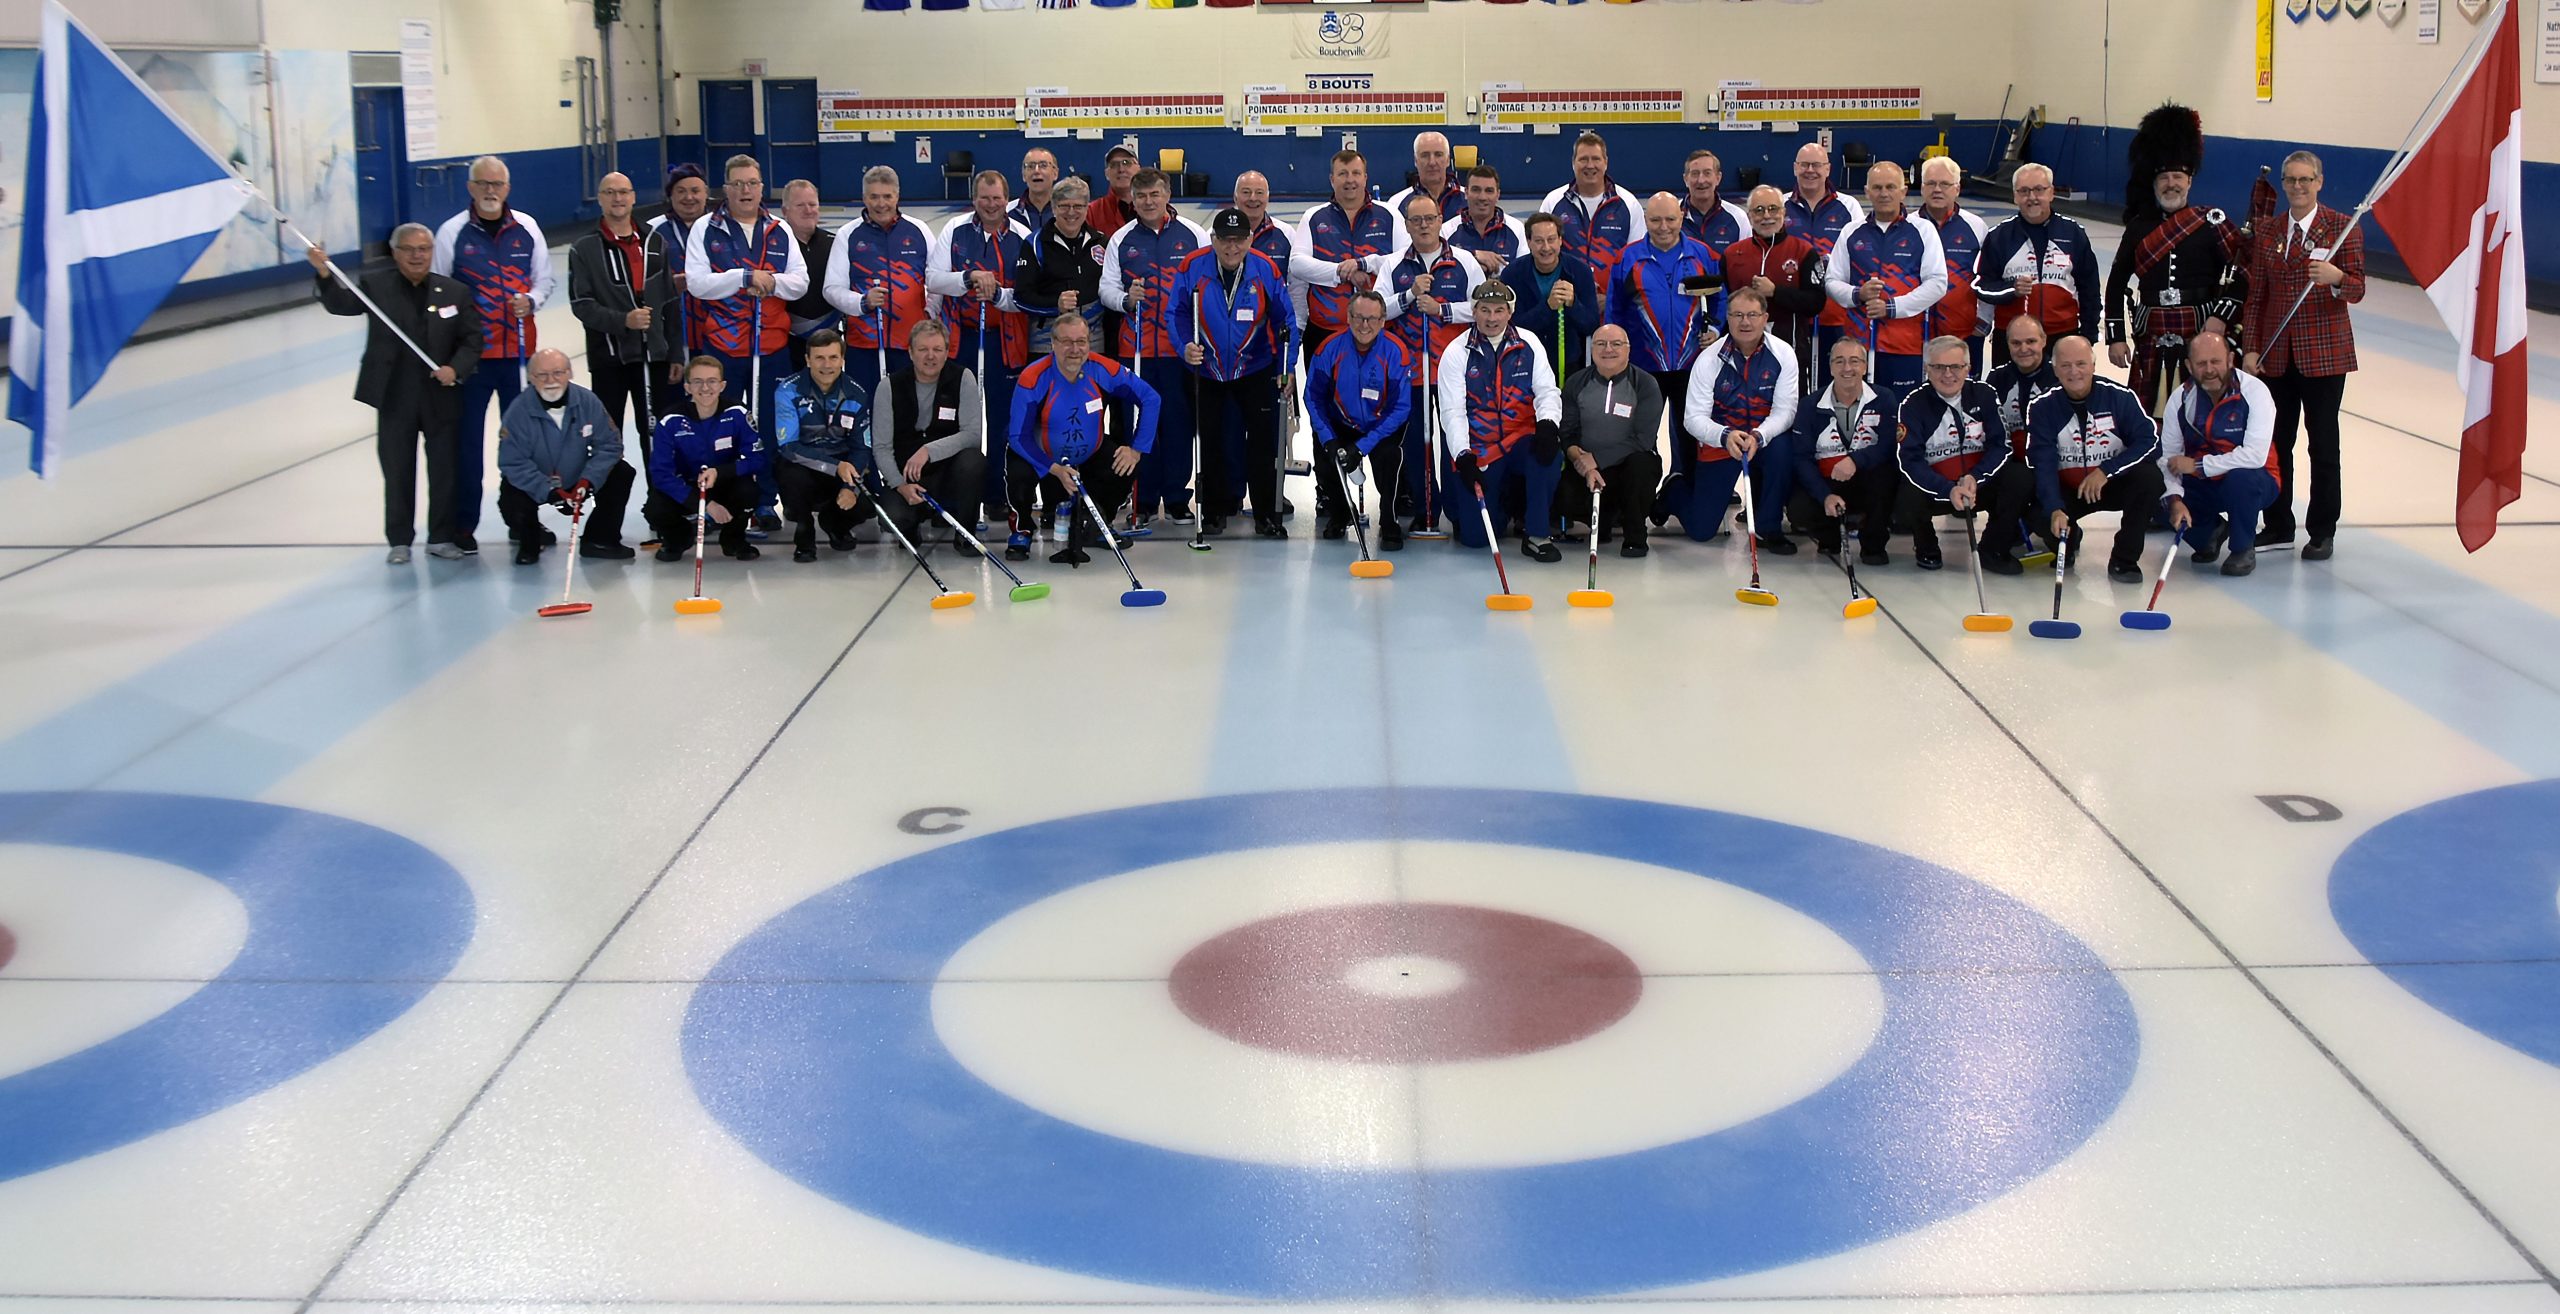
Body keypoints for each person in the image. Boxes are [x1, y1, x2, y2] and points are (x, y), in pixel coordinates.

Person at [309, 225, 481, 563]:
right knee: (398, 469)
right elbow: (341, 304)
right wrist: (323, 273)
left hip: (441, 397)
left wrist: (454, 369)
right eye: (409, 249)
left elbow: (473, 340)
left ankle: (442, 536)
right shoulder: (377, 287)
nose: (418, 256)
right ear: (395, 253)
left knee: (445, 470)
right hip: (396, 395)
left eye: (424, 249)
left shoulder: (454, 292)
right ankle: (399, 540)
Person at [2242, 149, 2364, 560]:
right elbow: (2256, 296)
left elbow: (2359, 289)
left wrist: (2337, 279)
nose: (2298, 187)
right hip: (2275, 356)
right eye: (2291, 180)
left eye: (2305, 180)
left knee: (2324, 446)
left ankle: (2322, 529)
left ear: (2319, 182)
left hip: (2325, 357)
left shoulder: (2341, 228)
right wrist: (2251, 348)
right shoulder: (2268, 231)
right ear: (2283, 183)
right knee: (2276, 443)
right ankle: (2277, 524)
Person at [432, 154, 555, 553]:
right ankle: (462, 526)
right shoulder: (452, 233)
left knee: (522, 443)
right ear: (470, 188)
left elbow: (545, 279)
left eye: (497, 185)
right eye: (483, 184)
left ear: (507, 188)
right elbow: (438, 289)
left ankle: (523, 522)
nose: (490, 191)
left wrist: (532, 300)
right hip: (472, 359)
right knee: (466, 444)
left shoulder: (527, 228)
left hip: (520, 356)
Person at [2106, 104, 2247, 416]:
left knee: (2202, 409)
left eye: (2178, 177)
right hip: (2151, 328)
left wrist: (2220, 317)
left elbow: (2242, 276)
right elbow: (2116, 284)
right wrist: (2115, 338)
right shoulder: (2139, 227)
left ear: (2190, 181)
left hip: (2199, 326)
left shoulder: (2213, 222)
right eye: (2164, 177)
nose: (2171, 183)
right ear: (2154, 183)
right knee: (2147, 412)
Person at [1171, 208, 1298, 538]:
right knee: (1212, 440)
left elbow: (1286, 322)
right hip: (1207, 368)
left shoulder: (1265, 269)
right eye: (1224, 241)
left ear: (1250, 239)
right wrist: (1185, 345)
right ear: (1213, 240)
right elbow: (1177, 312)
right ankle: (1214, 510)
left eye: (1239, 240)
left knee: (1263, 443)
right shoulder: (1192, 266)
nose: (1231, 248)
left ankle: (1266, 515)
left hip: (1256, 368)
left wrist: (1287, 369)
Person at [685, 153, 807, 483]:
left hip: (771, 350)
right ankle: (725, 497)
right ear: (725, 189)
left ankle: (766, 499)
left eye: (752, 183)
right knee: (719, 425)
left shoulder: (780, 229)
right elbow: (697, 283)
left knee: (770, 426)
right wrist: (743, 277)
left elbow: (800, 282)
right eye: (737, 183)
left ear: (762, 187)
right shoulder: (704, 228)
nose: (745, 190)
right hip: (722, 349)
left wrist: (769, 282)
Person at [1099, 169, 1209, 526]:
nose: (1148, 201)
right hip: (1137, 349)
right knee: (1139, 423)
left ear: (1167, 195)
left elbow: (1207, 283)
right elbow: (1106, 289)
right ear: (1132, 198)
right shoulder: (1120, 239)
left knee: (1178, 423)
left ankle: (1177, 497)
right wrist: (1125, 300)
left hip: (1179, 349)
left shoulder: (1193, 234)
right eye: (1141, 195)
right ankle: (1143, 497)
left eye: (1155, 194)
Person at [1369, 191, 1482, 534]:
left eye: (1429, 219)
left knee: (1455, 439)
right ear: (1406, 225)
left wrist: (1443, 310)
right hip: (1410, 372)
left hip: (1453, 371)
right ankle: (1424, 509)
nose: (1423, 226)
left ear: (1439, 221)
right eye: (1415, 220)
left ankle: (1458, 512)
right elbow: (1376, 309)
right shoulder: (1393, 264)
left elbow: (1485, 307)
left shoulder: (1464, 261)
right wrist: (1408, 297)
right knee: (1416, 445)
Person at [1005, 315, 1160, 565]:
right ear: (1052, 343)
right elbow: (1017, 436)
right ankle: (1022, 528)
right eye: (1066, 342)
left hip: (1090, 453)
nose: (1075, 349)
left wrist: (1136, 449)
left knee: (1126, 464)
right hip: (1047, 460)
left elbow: (1151, 398)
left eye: (1081, 341)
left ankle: (1097, 522)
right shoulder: (1033, 377)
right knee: (1018, 473)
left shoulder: (1103, 369)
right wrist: (1052, 468)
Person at [1612, 193, 1724, 525]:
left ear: (1681, 218)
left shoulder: (1701, 255)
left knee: (1690, 435)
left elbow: (1720, 301)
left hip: (1692, 366)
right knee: (1638, 436)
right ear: (1646, 220)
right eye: (1656, 220)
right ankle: (1633, 502)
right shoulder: (1628, 258)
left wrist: (1716, 330)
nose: (1664, 227)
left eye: (1671, 220)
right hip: (1645, 367)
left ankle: (1684, 498)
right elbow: (1615, 312)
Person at [929, 168, 1031, 527]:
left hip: (1004, 340)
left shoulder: (1022, 235)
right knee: (957, 420)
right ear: (974, 199)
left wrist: (1000, 294)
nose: (991, 204)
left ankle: (996, 495)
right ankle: (954, 496)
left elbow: (1030, 294)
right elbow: (933, 279)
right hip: (963, 337)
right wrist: (968, 279)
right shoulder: (954, 231)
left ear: (1008, 200)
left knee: (1002, 421)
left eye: (997, 198)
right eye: (984, 198)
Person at [1437, 281, 1565, 561]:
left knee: (1548, 456)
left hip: (1520, 439)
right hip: (1482, 448)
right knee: (1475, 539)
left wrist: (1547, 424)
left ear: (1510, 312)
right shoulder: (1456, 352)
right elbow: (1452, 412)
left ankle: (1536, 533)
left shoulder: (1529, 343)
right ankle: (1503, 503)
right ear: (1474, 312)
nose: (1491, 318)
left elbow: (1547, 391)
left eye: (1498, 310)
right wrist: (1463, 456)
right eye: (1485, 310)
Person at [2026, 335, 2166, 583]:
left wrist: (2106, 471)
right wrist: (2055, 507)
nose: (2074, 372)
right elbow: (2042, 463)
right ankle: (2067, 541)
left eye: (2081, 364)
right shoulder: (2042, 407)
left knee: (2150, 479)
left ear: (2093, 365)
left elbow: (2150, 442)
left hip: (2112, 484)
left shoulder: (2120, 397)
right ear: (2055, 369)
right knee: (2038, 513)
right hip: (2070, 489)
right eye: (2066, 365)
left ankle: (2125, 558)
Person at [1677, 286, 1798, 546]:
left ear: (1765, 318)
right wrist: (1724, 436)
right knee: (1701, 531)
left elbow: (1785, 411)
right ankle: (1673, 491)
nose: (1745, 322)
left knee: (1783, 448)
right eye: (1738, 315)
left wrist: (1759, 435)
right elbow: (1693, 418)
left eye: (1753, 315)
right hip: (1723, 443)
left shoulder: (1784, 354)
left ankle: (1768, 527)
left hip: (1763, 440)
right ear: (1728, 318)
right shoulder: (1708, 359)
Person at [1895, 335, 2027, 573]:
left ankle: (1993, 548)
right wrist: (1948, 489)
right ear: (1927, 369)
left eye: (1955, 367)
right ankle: (1926, 544)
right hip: (1938, 488)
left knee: (2019, 477)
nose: (1948, 374)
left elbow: (2001, 445)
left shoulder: (1985, 395)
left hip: (1976, 484)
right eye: (1938, 367)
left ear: (1968, 367)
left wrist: (1976, 476)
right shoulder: (1913, 404)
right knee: (1906, 490)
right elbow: (1910, 461)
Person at [495, 348, 636, 564]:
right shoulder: (518, 412)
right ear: (532, 378)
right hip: (538, 482)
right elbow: (512, 462)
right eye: (542, 375)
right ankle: (530, 540)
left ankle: (600, 539)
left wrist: (588, 480)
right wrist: (549, 491)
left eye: (558, 373)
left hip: (579, 477)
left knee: (621, 473)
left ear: (569, 373)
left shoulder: (588, 401)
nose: (551, 380)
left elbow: (609, 445)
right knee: (511, 498)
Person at [1825, 161, 1946, 409]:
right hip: (1858, 346)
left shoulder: (1923, 231)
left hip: (1905, 346)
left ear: (1903, 191)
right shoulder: (1851, 231)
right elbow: (1832, 281)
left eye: (1891, 187)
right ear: (1867, 191)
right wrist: (1857, 294)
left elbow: (1937, 283)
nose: (1884, 193)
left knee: (1902, 416)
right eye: (1877, 187)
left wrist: (1892, 307)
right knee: (1860, 416)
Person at [2161, 330, 2280, 577]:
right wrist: (2174, 500)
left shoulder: (2255, 392)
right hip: (2205, 481)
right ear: (2188, 365)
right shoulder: (2179, 399)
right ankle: (2209, 532)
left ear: (2229, 361)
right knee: (2152, 486)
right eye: (2201, 363)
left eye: (2215, 361)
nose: (2209, 369)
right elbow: (2169, 459)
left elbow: (2255, 457)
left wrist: (2198, 466)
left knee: (2241, 478)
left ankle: (2241, 548)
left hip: (2257, 479)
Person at [1304, 289, 1413, 549]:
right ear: (1348, 318)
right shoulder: (1328, 348)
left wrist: (1363, 447)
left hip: (1381, 426)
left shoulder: (1396, 351)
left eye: (1372, 319)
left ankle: (1389, 520)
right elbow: (1312, 397)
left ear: (1383, 321)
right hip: (1341, 423)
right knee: (1325, 457)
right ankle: (1341, 513)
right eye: (1359, 318)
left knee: (1389, 458)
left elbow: (1401, 408)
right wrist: (1329, 439)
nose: (1365, 325)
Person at [874, 320, 989, 550]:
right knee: (894, 518)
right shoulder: (889, 387)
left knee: (974, 460)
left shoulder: (963, 378)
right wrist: (899, 485)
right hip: (907, 476)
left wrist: (928, 450)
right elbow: (881, 447)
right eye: (923, 349)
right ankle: (911, 524)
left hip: (948, 472)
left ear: (947, 352)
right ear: (910, 352)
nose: (930, 356)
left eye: (937, 349)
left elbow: (973, 435)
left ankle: (965, 532)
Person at [567, 173, 659, 461]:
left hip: (650, 358)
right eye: (609, 192)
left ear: (633, 196)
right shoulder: (583, 248)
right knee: (607, 436)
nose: (617, 198)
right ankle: (609, 505)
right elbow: (582, 304)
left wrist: (675, 357)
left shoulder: (653, 240)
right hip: (608, 359)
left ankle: (659, 503)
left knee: (655, 435)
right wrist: (623, 321)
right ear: (600, 198)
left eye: (623, 192)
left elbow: (668, 302)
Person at [1974, 163, 2101, 368]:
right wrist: (2010, 289)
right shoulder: (1999, 236)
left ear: (2051, 192)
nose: (2032, 197)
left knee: (2061, 398)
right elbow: (1981, 286)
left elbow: (2090, 290)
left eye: (2039, 190)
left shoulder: (2073, 233)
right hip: (2014, 341)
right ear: (2015, 196)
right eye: (2024, 191)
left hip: (2062, 337)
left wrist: (2087, 336)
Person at [824, 164, 936, 397]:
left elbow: (937, 280)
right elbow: (831, 288)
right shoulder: (848, 234)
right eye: (874, 197)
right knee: (866, 412)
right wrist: (861, 302)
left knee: (908, 413)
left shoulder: (919, 231)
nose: (881, 203)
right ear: (864, 198)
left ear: (897, 196)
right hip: (864, 346)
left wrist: (930, 313)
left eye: (887, 196)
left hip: (911, 344)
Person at [1787, 336, 1897, 565]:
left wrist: (1856, 460)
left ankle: (1873, 543)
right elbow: (1802, 458)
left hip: (1868, 479)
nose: (1847, 368)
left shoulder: (1884, 398)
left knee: (1887, 477)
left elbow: (1888, 445)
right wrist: (1824, 495)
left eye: (1854, 361)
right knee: (1799, 507)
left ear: (1865, 366)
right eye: (1839, 361)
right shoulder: (1810, 405)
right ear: (1830, 367)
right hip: (1828, 480)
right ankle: (1828, 536)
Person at [1557, 324, 1664, 557]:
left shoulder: (1645, 383)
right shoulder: (1577, 383)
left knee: (1641, 466)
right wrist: (1585, 465)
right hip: (1588, 470)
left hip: (1628, 466)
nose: (1608, 350)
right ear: (1592, 348)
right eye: (1601, 344)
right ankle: (1603, 521)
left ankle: (1635, 535)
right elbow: (1568, 434)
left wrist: (1597, 460)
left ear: (1628, 349)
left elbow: (1643, 439)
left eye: (1616, 344)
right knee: (1563, 493)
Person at [646, 355, 765, 562]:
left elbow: (757, 459)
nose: (705, 388)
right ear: (687, 387)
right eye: (697, 382)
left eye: (712, 381)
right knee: (655, 509)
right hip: (687, 486)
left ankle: (733, 539)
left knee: (749, 492)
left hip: (723, 481)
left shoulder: (737, 413)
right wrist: (706, 504)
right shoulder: (670, 420)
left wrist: (722, 472)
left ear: (722, 385)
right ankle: (678, 539)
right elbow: (660, 474)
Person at [771, 328, 872, 561]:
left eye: (833, 357)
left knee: (866, 505)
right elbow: (788, 446)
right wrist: (834, 466)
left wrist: (851, 487)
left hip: (841, 467)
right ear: (807, 359)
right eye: (819, 358)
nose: (827, 365)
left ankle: (834, 524)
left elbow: (861, 447)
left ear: (842, 360)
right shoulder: (788, 390)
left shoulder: (856, 394)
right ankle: (804, 536)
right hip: (803, 466)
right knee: (790, 475)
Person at [1722, 185, 1828, 395]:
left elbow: (1816, 302)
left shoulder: (1803, 252)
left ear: (1783, 212)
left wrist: (1775, 292)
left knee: (1790, 417)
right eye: (1759, 210)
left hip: (1790, 353)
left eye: (1773, 209)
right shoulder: (1732, 254)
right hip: (1740, 356)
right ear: (1749, 215)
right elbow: (1722, 304)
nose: (1766, 216)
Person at [1291, 149, 1396, 359]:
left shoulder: (1389, 214)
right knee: (1323, 392)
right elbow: (1297, 264)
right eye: (1343, 174)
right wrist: (1341, 271)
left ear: (1365, 178)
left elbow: (1405, 260)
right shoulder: (1313, 216)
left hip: (1378, 329)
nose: (1350, 180)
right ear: (1332, 179)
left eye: (1356, 173)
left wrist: (1365, 263)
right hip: (1325, 332)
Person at [1539, 131, 1643, 319]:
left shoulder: (1628, 204)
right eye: (1583, 159)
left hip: (1614, 307)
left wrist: (1612, 296)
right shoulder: (1553, 202)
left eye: (1595, 159)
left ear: (1606, 162)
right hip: (1565, 307)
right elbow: (1541, 253)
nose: (1590, 165)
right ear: (1573, 163)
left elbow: (1637, 262)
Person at [1785, 142, 1858, 388]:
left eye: (1816, 165)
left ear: (1828, 169)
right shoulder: (1781, 206)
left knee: (1834, 382)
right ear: (1795, 168)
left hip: (1836, 315)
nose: (1810, 170)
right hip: (1793, 315)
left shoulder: (1848, 207)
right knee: (1793, 384)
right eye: (1804, 165)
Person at [644, 164, 711, 426]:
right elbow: (640, 283)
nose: (689, 197)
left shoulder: (718, 227)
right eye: (681, 191)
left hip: (714, 334)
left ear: (706, 193)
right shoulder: (652, 231)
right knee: (671, 409)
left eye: (695, 190)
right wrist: (670, 285)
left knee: (710, 406)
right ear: (670, 196)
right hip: (670, 340)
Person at [1499, 212, 1602, 379]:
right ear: (1529, 242)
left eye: (1551, 239)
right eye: (1539, 241)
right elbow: (1510, 326)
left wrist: (1573, 304)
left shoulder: (1580, 271)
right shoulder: (1512, 274)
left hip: (1570, 364)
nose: (1546, 247)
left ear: (1560, 240)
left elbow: (1591, 324)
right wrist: (1547, 308)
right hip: (1524, 361)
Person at [1013, 176, 1108, 353]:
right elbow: (1021, 297)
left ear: (1087, 208)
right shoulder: (1034, 243)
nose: (1071, 212)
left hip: (1091, 340)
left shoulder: (1101, 242)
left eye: (1078, 206)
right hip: (1047, 341)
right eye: (1064, 206)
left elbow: (1110, 289)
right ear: (1054, 207)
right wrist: (1054, 305)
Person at [1915, 157, 1989, 373]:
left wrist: (1984, 320)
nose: (1937, 189)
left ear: (1957, 188)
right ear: (1921, 188)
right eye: (1931, 183)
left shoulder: (1976, 227)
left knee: (1965, 397)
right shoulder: (1908, 226)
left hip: (1965, 333)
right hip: (1916, 334)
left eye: (1945, 184)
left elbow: (1988, 276)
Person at [778, 180, 837, 372]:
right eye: (800, 205)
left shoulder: (835, 244)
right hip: (787, 345)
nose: (808, 210)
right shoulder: (774, 247)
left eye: (812, 204)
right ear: (785, 211)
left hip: (829, 343)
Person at [1444, 165, 1526, 277]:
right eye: (1476, 190)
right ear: (1466, 193)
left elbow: (1525, 272)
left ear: (1498, 195)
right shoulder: (1447, 230)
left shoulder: (1516, 228)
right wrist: (1473, 255)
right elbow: (1438, 264)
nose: (1482, 197)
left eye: (1489, 191)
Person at [1386, 130, 1466, 227]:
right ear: (1416, 161)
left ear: (1448, 160)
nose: (1432, 162)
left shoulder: (1468, 200)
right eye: (1425, 155)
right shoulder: (1396, 204)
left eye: (1438, 155)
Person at [1679, 149, 1748, 255]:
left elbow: (1746, 260)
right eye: (1695, 174)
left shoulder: (1738, 218)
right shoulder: (1670, 215)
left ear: (1718, 178)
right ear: (1685, 179)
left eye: (1707, 173)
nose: (1701, 180)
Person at [1085, 143, 1141, 238]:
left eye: (1126, 163)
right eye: (1114, 165)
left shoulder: (1152, 207)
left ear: (1138, 169)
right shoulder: (1092, 212)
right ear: (1106, 173)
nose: (1121, 169)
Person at [1008, 145, 1060, 234]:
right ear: (1024, 175)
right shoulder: (1008, 212)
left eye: (1043, 165)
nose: (1036, 171)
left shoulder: (1067, 210)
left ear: (1055, 173)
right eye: (1031, 166)